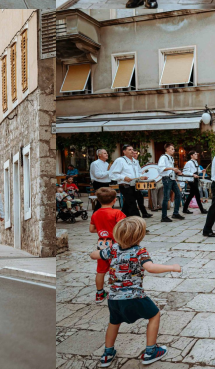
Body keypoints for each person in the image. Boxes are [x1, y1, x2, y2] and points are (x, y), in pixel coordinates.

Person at [91, 217, 180, 367]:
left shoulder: (113, 249)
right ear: (140, 235)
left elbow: (95, 255)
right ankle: (151, 351)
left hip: (113, 298)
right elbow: (151, 268)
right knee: (154, 314)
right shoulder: (140, 251)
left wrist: (97, 252)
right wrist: (172, 267)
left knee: (114, 322)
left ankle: (107, 354)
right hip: (134, 296)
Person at [89, 187, 127, 302]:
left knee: (100, 271)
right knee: (118, 268)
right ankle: (119, 292)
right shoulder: (117, 213)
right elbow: (123, 228)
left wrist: (102, 229)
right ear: (114, 200)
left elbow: (91, 229)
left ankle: (100, 294)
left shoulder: (95, 214)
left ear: (99, 200)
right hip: (116, 245)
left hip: (101, 245)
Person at [108, 144, 152, 220]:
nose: (132, 151)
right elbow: (112, 174)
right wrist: (124, 177)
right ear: (124, 151)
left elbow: (138, 172)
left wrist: (141, 176)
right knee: (132, 205)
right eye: (129, 150)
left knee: (127, 205)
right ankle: (138, 223)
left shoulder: (135, 161)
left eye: (132, 149)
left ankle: (119, 219)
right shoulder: (120, 160)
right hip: (125, 186)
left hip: (134, 186)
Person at [180, 150, 205, 215]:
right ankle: (202, 209)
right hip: (191, 180)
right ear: (191, 156)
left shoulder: (196, 162)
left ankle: (185, 209)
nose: (196, 155)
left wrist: (202, 171)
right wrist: (193, 175)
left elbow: (197, 170)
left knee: (191, 195)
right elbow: (185, 172)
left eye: (196, 154)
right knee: (197, 194)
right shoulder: (189, 163)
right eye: (195, 154)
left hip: (195, 179)